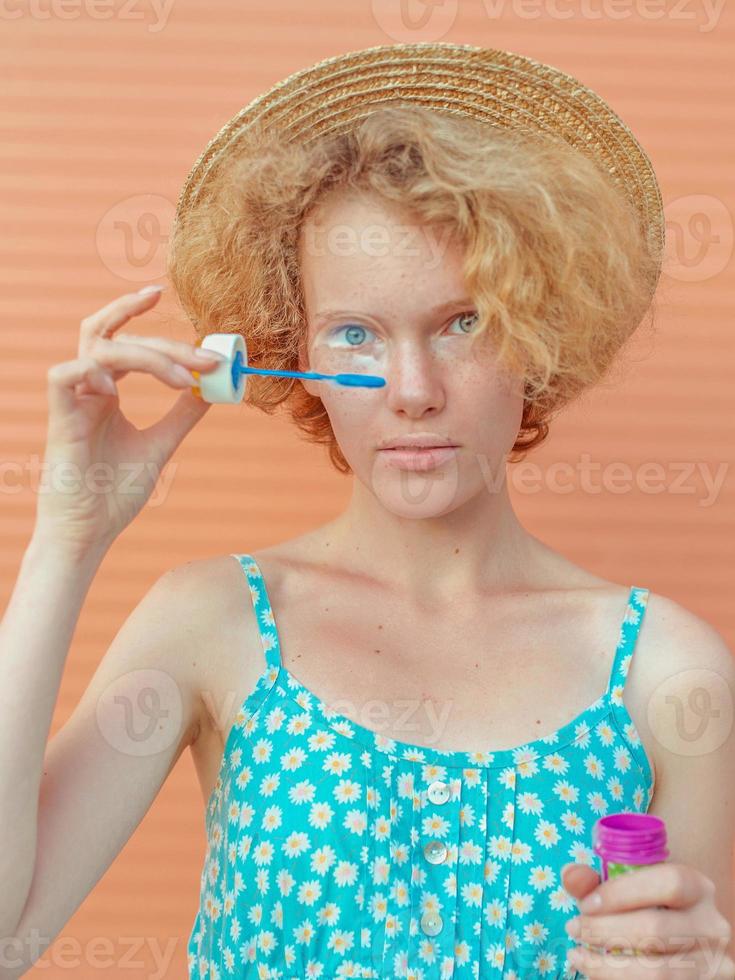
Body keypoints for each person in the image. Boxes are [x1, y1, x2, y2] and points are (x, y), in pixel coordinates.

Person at [1, 44, 733, 980]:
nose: (413, 391)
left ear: (538, 331)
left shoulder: (668, 671)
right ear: (287, 345)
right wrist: (69, 538)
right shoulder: (212, 620)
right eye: (355, 333)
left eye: (462, 323)